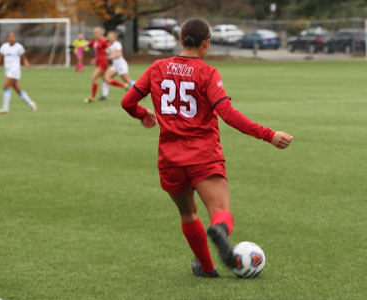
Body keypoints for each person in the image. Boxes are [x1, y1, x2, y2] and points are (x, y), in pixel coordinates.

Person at [121, 19, 293, 278]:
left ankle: (207, 268)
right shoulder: (207, 73)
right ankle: (220, 230)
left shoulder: (158, 68)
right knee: (220, 212)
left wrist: (143, 113)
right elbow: (227, 113)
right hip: (203, 155)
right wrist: (269, 135)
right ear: (207, 43)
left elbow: (127, 102)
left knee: (188, 213)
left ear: (181, 40)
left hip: (170, 159)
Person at [0, 32, 37, 114]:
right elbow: (0, 59)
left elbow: (24, 58)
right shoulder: (4, 47)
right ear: (8, 38)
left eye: (13, 37)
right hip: (8, 71)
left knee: (6, 87)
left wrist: (26, 63)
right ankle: (32, 104)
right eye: (10, 37)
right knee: (18, 90)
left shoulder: (19, 47)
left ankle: (5, 108)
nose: (11, 38)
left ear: (15, 38)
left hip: (15, 71)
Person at [100, 31, 135, 100]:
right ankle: (104, 96)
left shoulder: (117, 44)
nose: (110, 37)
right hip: (115, 66)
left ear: (115, 37)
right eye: (109, 36)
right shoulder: (107, 44)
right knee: (105, 78)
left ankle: (140, 90)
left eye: (111, 36)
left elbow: (119, 54)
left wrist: (110, 57)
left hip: (121, 65)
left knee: (127, 81)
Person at [84, 27, 109, 103]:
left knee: (94, 78)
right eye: (94, 33)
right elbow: (88, 44)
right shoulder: (95, 41)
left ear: (101, 33)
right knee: (106, 79)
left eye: (97, 32)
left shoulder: (102, 41)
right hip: (99, 62)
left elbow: (109, 49)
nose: (95, 34)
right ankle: (124, 86)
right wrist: (76, 46)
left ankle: (92, 97)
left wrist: (109, 56)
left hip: (103, 62)